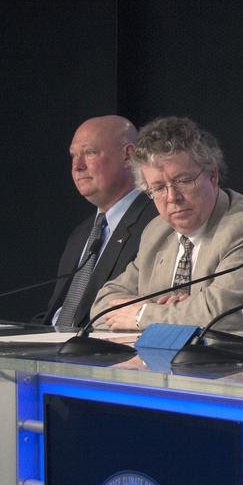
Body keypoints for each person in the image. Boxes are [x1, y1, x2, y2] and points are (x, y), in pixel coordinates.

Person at [90, 116, 243, 330]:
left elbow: (225, 316)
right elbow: (102, 307)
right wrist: (154, 308)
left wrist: (142, 315)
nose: (172, 197)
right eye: (158, 188)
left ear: (212, 176)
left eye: (183, 181)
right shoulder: (157, 231)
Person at [44, 116, 157, 328]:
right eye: (73, 156)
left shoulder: (155, 223)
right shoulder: (82, 234)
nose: (77, 166)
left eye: (90, 153)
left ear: (128, 156)